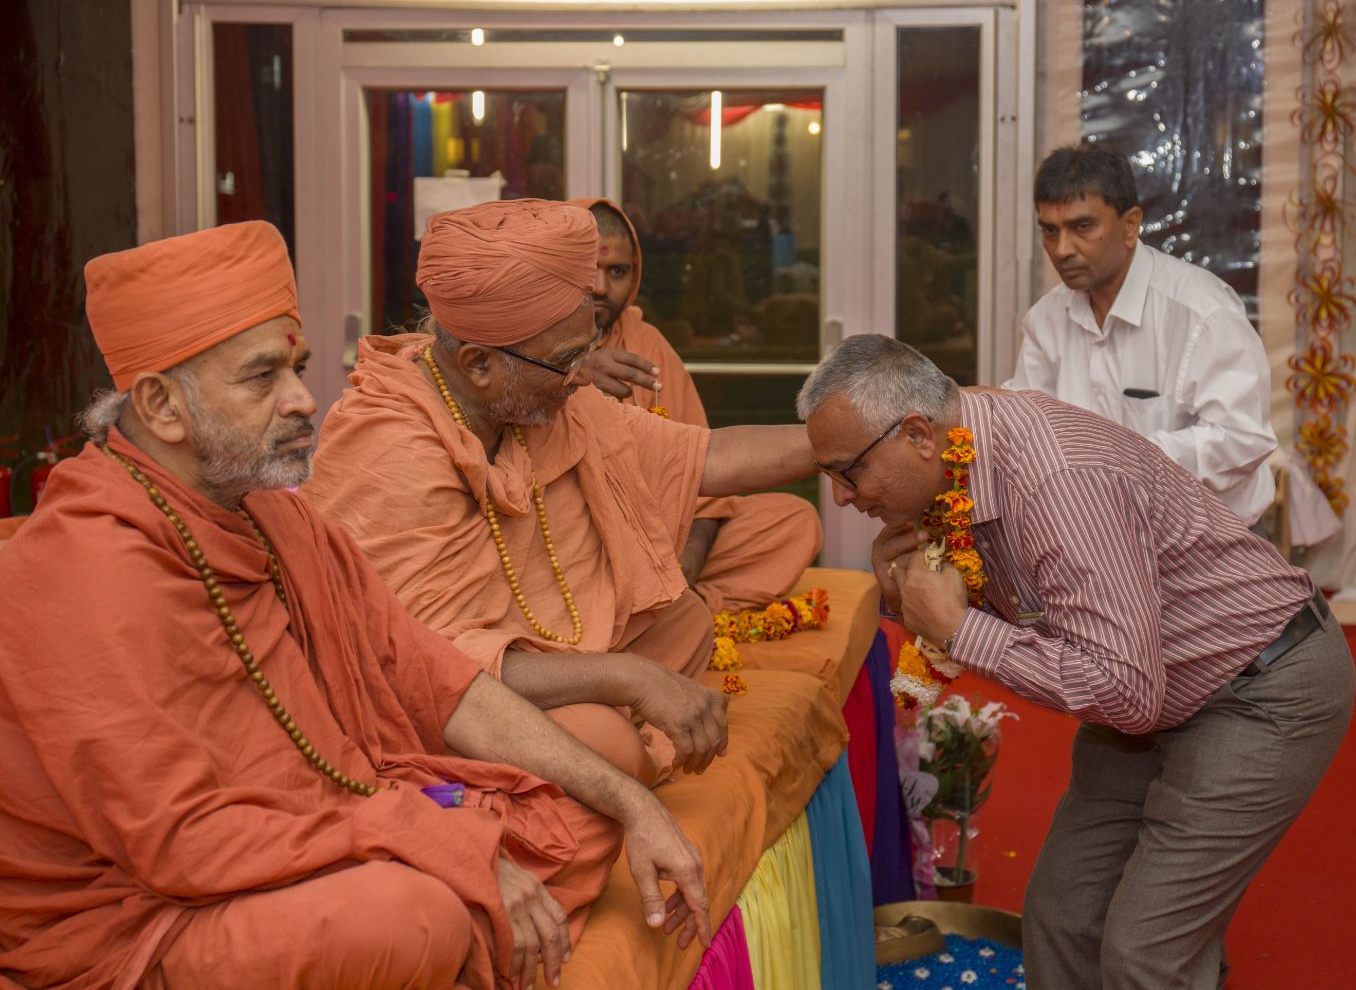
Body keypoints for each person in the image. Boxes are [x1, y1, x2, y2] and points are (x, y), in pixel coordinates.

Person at [0, 221, 711, 990]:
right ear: (163, 406)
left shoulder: (273, 513)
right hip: (155, 911)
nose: (305, 399)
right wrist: (434, 839)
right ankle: (465, 938)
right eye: (262, 377)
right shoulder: (84, 569)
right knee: (411, 915)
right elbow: (182, 841)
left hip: (332, 820)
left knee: (589, 788)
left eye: (297, 367)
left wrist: (633, 802)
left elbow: (435, 678)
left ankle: (469, 939)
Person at [798, 334, 1355, 990]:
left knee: (1146, 952)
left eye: (847, 471)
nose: (839, 497)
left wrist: (958, 626)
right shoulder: (954, 455)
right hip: (1149, 696)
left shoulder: (1060, 480)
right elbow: (1046, 615)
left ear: (918, 431)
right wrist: (912, 601)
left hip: (1259, 686)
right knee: (1062, 917)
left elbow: (1125, 690)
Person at [304, 199, 818, 782]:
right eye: (568, 361)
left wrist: (843, 438)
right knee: (610, 745)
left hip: (536, 664)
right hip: (450, 700)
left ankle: (600, 731)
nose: (582, 376)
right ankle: (604, 744)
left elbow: (703, 456)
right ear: (477, 364)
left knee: (685, 618)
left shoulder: (533, 400)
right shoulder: (389, 449)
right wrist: (627, 676)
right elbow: (432, 668)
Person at [1005, 143, 1278, 524]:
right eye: (1049, 231)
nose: (1062, 249)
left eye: (1082, 227)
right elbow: (1027, 427)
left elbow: (1242, 439)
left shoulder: (1202, 312)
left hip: (1212, 543)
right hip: (1103, 535)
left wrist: (1120, 457)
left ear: (1131, 225)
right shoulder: (1046, 319)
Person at [574, 196, 823, 613]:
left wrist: (691, 555)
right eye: (587, 270)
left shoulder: (648, 344)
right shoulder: (532, 345)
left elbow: (701, 469)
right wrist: (574, 372)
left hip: (663, 533)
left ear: (634, 277)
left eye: (616, 272)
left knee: (792, 521)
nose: (600, 287)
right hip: (583, 538)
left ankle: (691, 607)